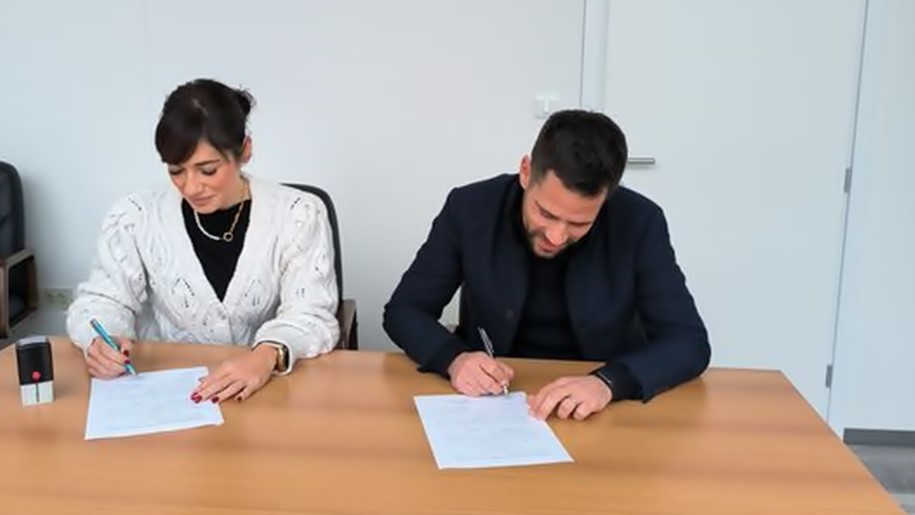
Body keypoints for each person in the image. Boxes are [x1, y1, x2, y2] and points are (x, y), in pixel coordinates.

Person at [383, 109, 710, 420]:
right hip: (493, 403)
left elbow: (688, 341)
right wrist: (454, 359)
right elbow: (405, 310)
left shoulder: (640, 221)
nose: (556, 236)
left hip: (601, 407)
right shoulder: (470, 208)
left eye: (579, 223)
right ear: (526, 172)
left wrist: (609, 383)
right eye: (546, 213)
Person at [67, 79, 339, 403]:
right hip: (170, 395)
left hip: (267, 393)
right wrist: (101, 339)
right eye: (176, 171)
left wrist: (267, 354)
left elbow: (311, 314)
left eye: (207, 170)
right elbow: (100, 301)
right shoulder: (134, 217)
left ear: (245, 150)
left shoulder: (299, 214)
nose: (191, 187)